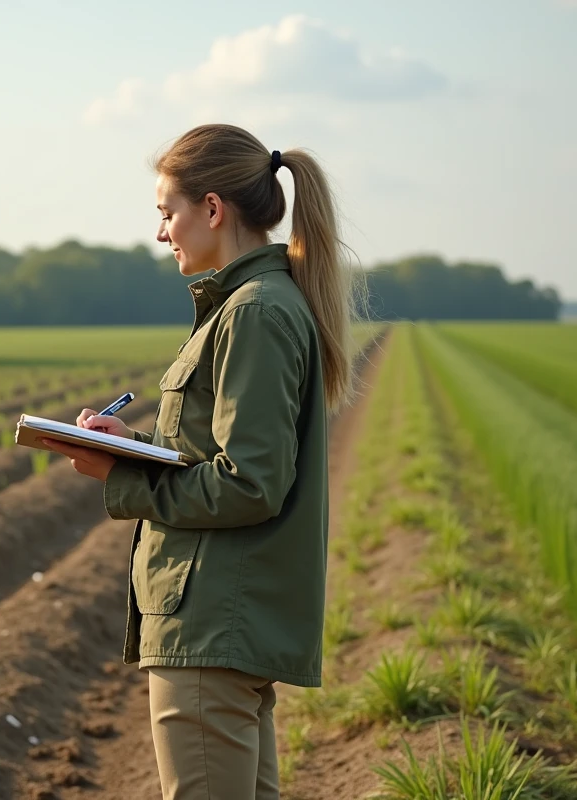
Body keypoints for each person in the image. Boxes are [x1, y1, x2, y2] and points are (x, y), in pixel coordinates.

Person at [39, 123, 359, 800]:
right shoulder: (260, 306)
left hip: (212, 625)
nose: (162, 234)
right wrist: (127, 443)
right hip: (226, 622)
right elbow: (223, 458)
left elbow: (248, 485)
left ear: (212, 209)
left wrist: (122, 476)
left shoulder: (254, 314)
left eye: (167, 213)